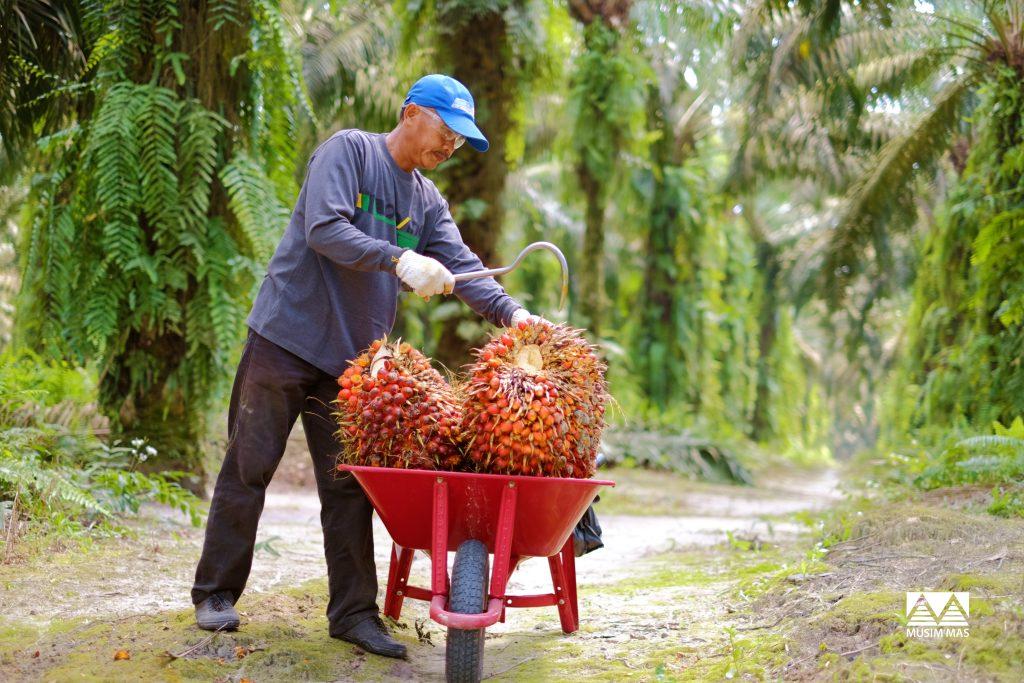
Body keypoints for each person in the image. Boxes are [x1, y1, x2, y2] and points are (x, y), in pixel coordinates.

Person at [190, 74, 540, 659]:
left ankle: (353, 614)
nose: (451, 146)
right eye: (447, 130)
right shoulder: (348, 151)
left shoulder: (427, 200)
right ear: (409, 112)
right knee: (249, 467)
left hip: (353, 363)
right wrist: (399, 257)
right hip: (285, 335)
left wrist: (516, 315)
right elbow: (326, 230)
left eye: (461, 139)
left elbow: (463, 266)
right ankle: (215, 593)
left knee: (349, 487)